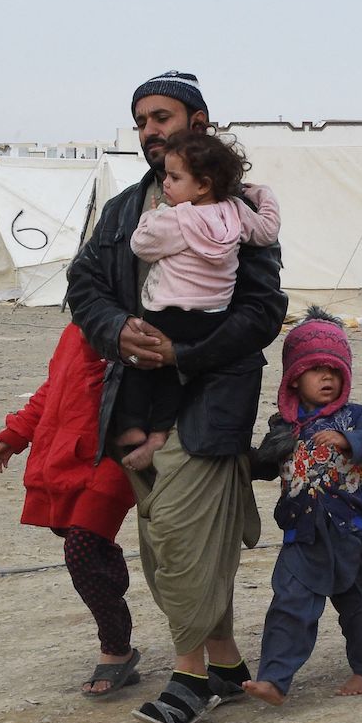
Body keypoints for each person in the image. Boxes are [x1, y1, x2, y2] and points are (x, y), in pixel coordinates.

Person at [66, 70, 287, 723]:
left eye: (160, 116)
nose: (148, 131)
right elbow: (84, 286)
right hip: (140, 403)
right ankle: (222, 661)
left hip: (211, 398)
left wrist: (185, 353)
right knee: (170, 539)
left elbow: (264, 309)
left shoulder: (239, 207)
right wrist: (116, 329)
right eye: (139, 121)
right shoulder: (127, 209)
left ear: (198, 120)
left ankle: (188, 676)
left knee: (182, 536)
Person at [240, 308, 362, 706]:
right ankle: (274, 678)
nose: (327, 378)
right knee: (289, 604)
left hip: (350, 533)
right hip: (303, 536)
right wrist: (250, 456)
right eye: (316, 370)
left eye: (335, 370)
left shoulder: (354, 418)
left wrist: (349, 442)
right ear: (294, 377)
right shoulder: (283, 428)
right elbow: (260, 467)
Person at [114, 127, 281, 472]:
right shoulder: (236, 212)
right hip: (212, 316)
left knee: (142, 362)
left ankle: (135, 427)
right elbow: (267, 231)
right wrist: (263, 195)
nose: (167, 184)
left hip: (169, 312)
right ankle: (160, 434)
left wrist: (156, 212)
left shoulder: (177, 219)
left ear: (202, 185)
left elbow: (141, 245)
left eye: (175, 177)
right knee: (177, 369)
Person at [0, 322, 141, 696]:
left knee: (82, 546)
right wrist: (16, 434)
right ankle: (108, 573)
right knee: (82, 545)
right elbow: (53, 389)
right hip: (67, 454)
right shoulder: (75, 331)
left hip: (113, 455)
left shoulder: (136, 327)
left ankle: (116, 648)